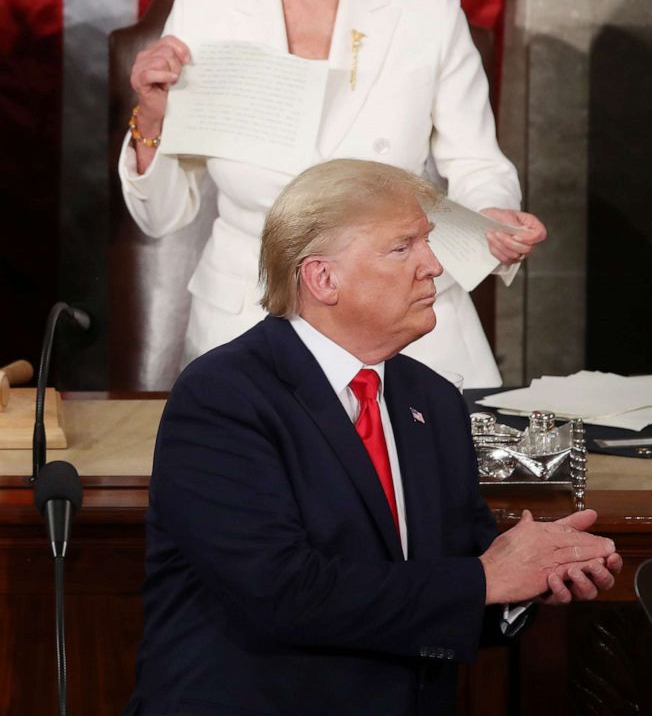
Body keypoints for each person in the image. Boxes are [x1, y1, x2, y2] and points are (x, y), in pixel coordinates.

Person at [124, 159, 620, 716]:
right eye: (403, 247)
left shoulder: (432, 400)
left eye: (426, 242)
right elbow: (282, 594)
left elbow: (452, 580)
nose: (433, 265)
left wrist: (529, 582)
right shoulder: (223, 397)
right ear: (323, 278)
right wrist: (486, 578)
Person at [119, 0, 546, 389]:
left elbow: (477, 163)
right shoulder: (203, 14)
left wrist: (491, 216)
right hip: (250, 317)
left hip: (406, 316)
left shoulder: (425, 6)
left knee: (421, 481)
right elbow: (161, 217)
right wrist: (154, 118)